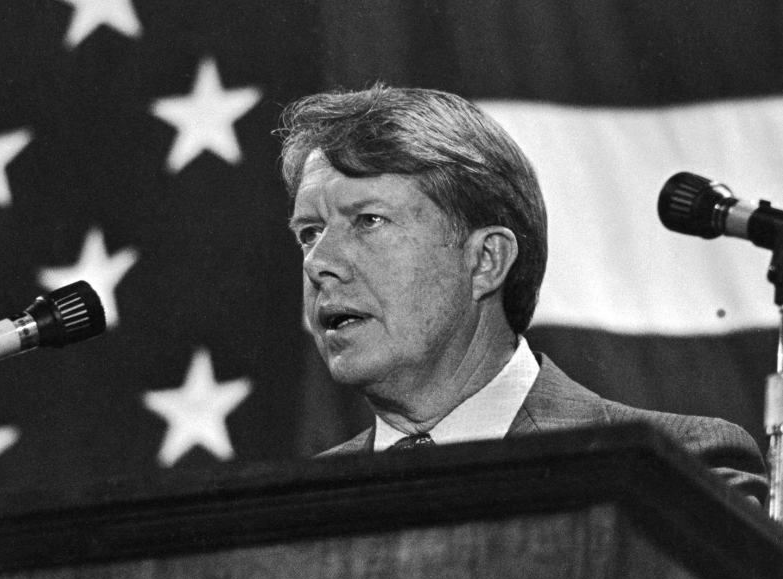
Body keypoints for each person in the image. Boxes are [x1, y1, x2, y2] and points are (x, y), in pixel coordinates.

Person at [279, 84, 768, 507]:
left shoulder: (677, 472)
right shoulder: (290, 509)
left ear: (485, 260)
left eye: (368, 221)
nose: (319, 262)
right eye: (309, 232)